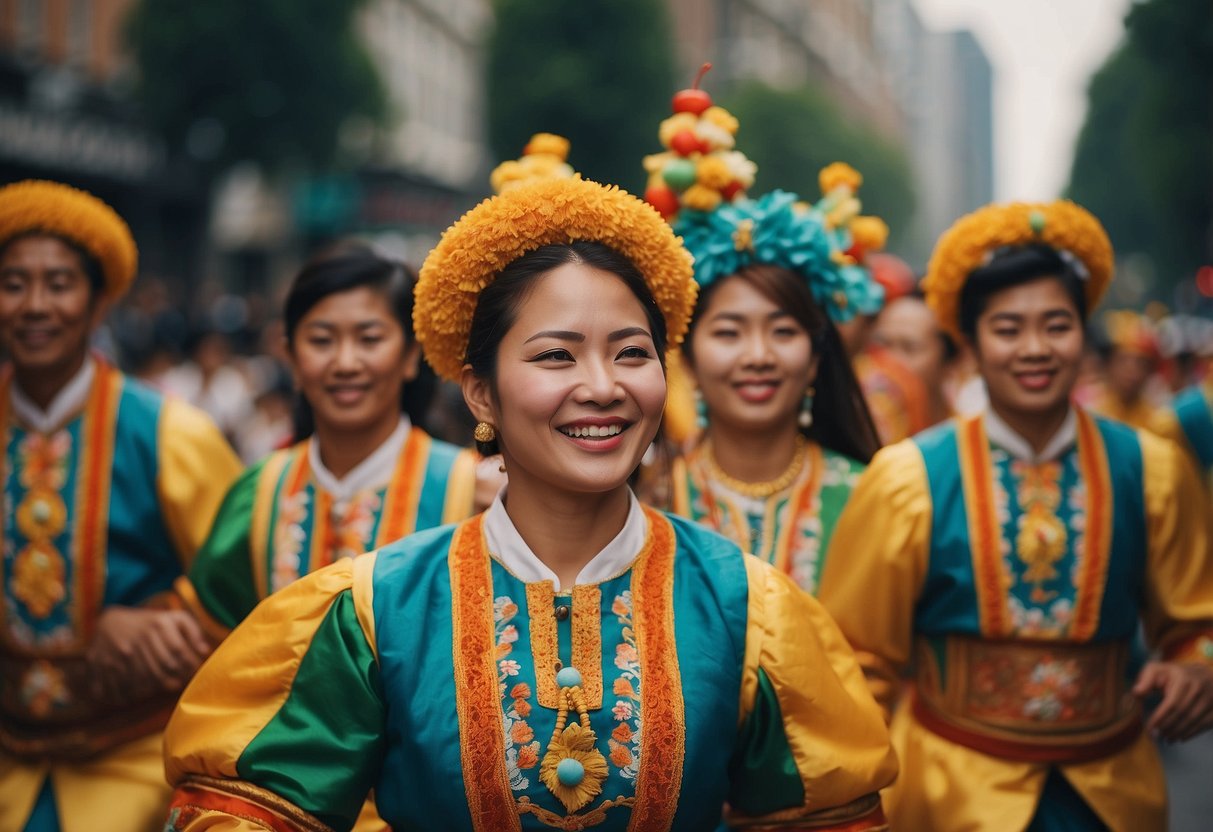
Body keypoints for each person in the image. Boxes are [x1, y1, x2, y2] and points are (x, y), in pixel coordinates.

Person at [161, 151, 897, 831]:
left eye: (631, 352)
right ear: (480, 394)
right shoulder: (373, 611)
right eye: (555, 356)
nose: (603, 387)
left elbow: (828, 815)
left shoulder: (748, 609)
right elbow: (240, 806)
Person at [818, 199, 1213, 830]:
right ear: (970, 345)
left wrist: (1199, 668)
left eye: (1056, 325)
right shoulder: (908, 478)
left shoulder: (1154, 469)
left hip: (1112, 796)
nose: (1035, 348)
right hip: (948, 793)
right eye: (1007, 329)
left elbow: (1195, 621)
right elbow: (858, 663)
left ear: (1084, 335)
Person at [0, 180, 242, 832]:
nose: (35, 305)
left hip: (139, 762)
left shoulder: (170, 433)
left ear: (99, 300)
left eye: (59, 284)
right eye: (14, 283)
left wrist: (157, 619)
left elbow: (251, 598)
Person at [175, 244, 482, 644]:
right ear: (290, 357)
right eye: (322, 340)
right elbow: (202, 636)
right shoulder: (259, 493)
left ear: (410, 355)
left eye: (369, 339)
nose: (345, 362)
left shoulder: (471, 491)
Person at [638, 98, 880, 594]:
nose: (757, 356)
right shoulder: (642, 501)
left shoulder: (874, 500)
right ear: (689, 358)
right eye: (728, 332)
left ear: (816, 359)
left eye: (783, 331)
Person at [872, 288, 963, 430]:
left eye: (910, 348)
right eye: (882, 344)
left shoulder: (964, 427)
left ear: (950, 362)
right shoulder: (865, 423)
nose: (891, 360)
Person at [1089, 310, 1183, 442]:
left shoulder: (1160, 422)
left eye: (1141, 363)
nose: (1132, 370)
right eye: (1123, 360)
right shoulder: (1089, 413)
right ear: (1109, 364)